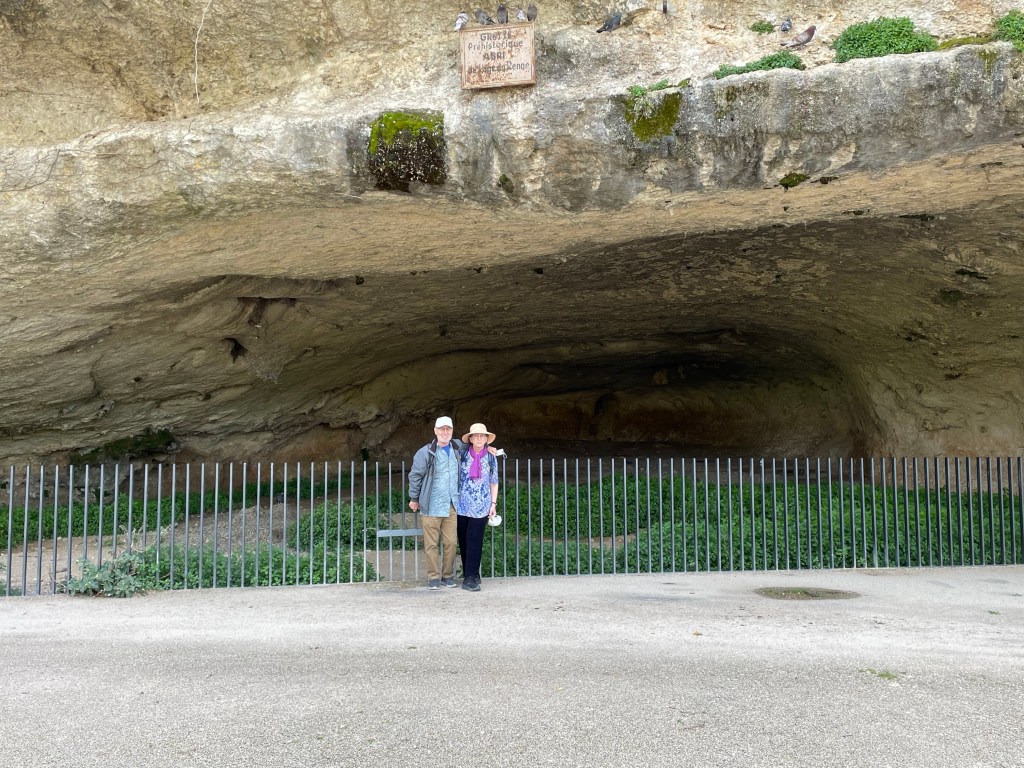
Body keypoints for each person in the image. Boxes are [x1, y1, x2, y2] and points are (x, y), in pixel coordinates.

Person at [408, 416, 464, 589]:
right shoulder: (425, 452)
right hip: (431, 505)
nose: (445, 432)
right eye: (441, 429)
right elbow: (415, 476)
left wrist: (489, 448)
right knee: (431, 544)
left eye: (448, 429)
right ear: (435, 431)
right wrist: (414, 498)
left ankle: (447, 576)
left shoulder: (458, 447)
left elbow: (476, 445)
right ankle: (433, 577)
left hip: (451, 505)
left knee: (451, 543)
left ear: (452, 431)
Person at [455, 422, 500, 592]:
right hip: (462, 505)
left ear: (487, 439)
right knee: (464, 540)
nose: (480, 438)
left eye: (483, 436)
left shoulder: (491, 457)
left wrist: (493, 504)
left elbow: (494, 482)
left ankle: (470, 578)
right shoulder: (462, 454)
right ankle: (471, 573)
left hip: (481, 505)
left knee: (474, 539)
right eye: (476, 436)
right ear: (471, 439)